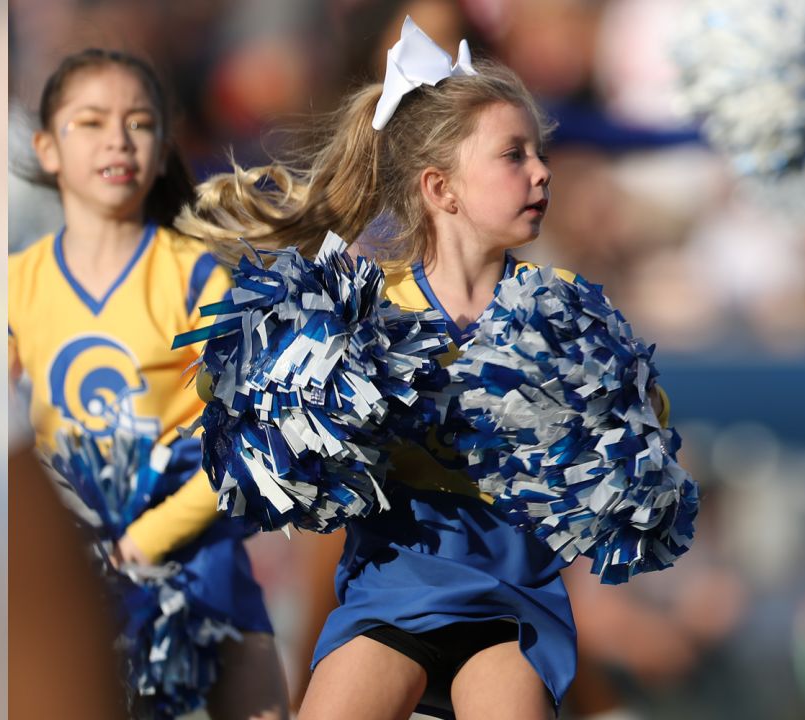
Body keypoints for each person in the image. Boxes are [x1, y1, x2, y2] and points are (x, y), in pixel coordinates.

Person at [178, 18, 673, 720]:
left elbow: (636, 449)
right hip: (390, 596)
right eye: (513, 156)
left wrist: (626, 437)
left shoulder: (561, 314)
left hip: (511, 608)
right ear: (442, 189)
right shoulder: (367, 309)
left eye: (539, 152)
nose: (542, 171)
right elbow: (254, 422)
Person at [7, 48, 288, 719]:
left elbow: (244, 443)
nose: (117, 140)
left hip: (199, 571)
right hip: (80, 575)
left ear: (163, 151)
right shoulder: (12, 285)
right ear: (47, 148)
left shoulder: (197, 274)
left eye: (138, 123)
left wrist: (147, 539)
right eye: (91, 122)